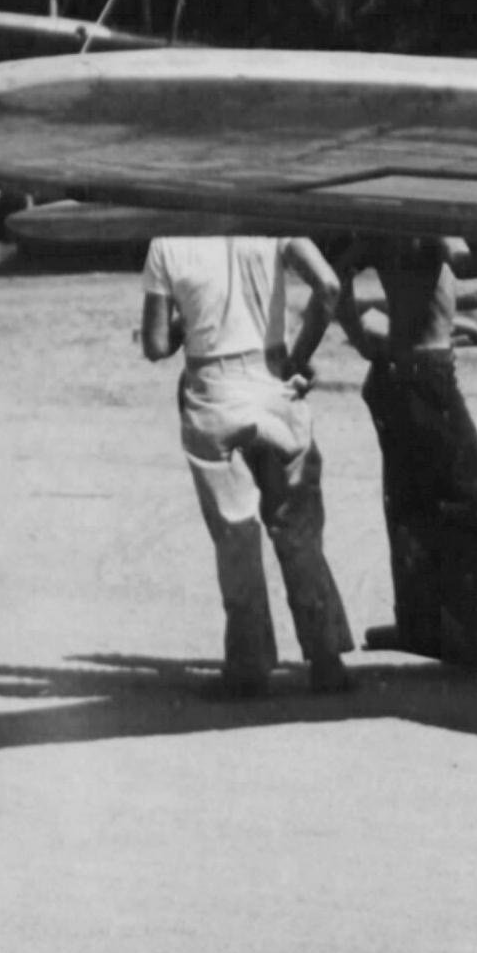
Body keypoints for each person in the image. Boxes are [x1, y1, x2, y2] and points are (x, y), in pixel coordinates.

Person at [140, 232, 354, 696]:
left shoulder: (166, 244)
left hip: (212, 392)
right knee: (297, 528)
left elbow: (156, 345)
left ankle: (249, 665)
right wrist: (299, 357)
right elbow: (329, 287)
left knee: (236, 533)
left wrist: (189, 320)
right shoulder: (272, 223)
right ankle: (326, 657)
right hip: (274, 383)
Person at [336, 235, 477, 666]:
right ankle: (464, 631)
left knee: (413, 504)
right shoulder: (428, 222)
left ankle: (418, 623)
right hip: (426, 373)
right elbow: (463, 261)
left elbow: (341, 266)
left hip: (400, 370)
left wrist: (358, 335)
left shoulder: (388, 221)